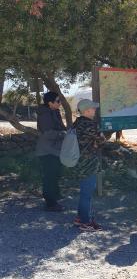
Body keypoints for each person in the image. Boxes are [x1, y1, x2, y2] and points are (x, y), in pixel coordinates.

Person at [73, 99, 105, 232]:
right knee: (87, 194)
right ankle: (86, 222)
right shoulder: (91, 125)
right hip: (89, 164)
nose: (95, 110)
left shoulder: (77, 123)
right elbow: (102, 139)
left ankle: (80, 218)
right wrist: (98, 142)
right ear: (86, 111)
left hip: (79, 162)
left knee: (84, 192)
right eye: (93, 108)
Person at [36, 91, 66, 212]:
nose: (60, 103)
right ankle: (50, 203)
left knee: (56, 174)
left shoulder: (55, 111)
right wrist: (62, 134)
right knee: (49, 177)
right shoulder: (44, 114)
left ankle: (55, 197)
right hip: (47, 150)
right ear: (50, 103)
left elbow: (60, 127)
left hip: (55, 150)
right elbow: (47, 133)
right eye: (58, 101)